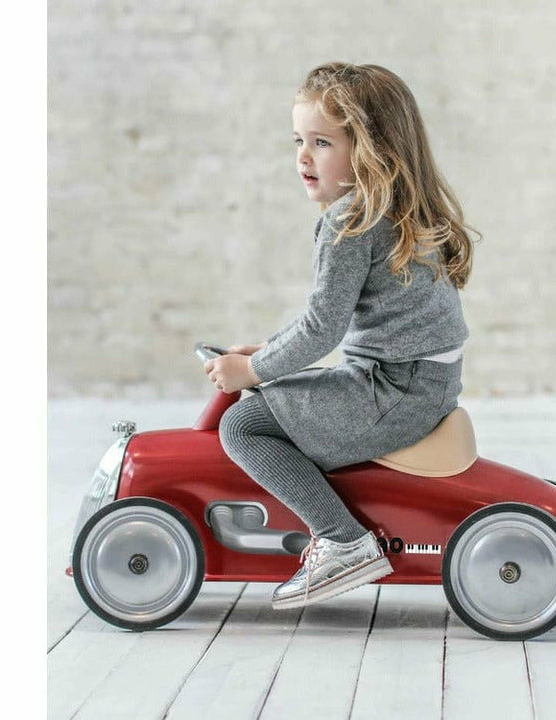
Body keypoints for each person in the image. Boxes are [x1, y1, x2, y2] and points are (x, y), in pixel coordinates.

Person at [204, 62, 479, 610]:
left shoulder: (349, 221)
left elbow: (323, 327)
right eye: (299, 141)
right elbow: (322, 318)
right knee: (279, 390)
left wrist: (252, 371)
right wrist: (266, 353)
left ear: (372, 149)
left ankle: (342, 541)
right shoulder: (397, 207)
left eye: (322, 142)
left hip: (394, 388)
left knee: (243, 424)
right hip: (421, 381)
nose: (303, 157)